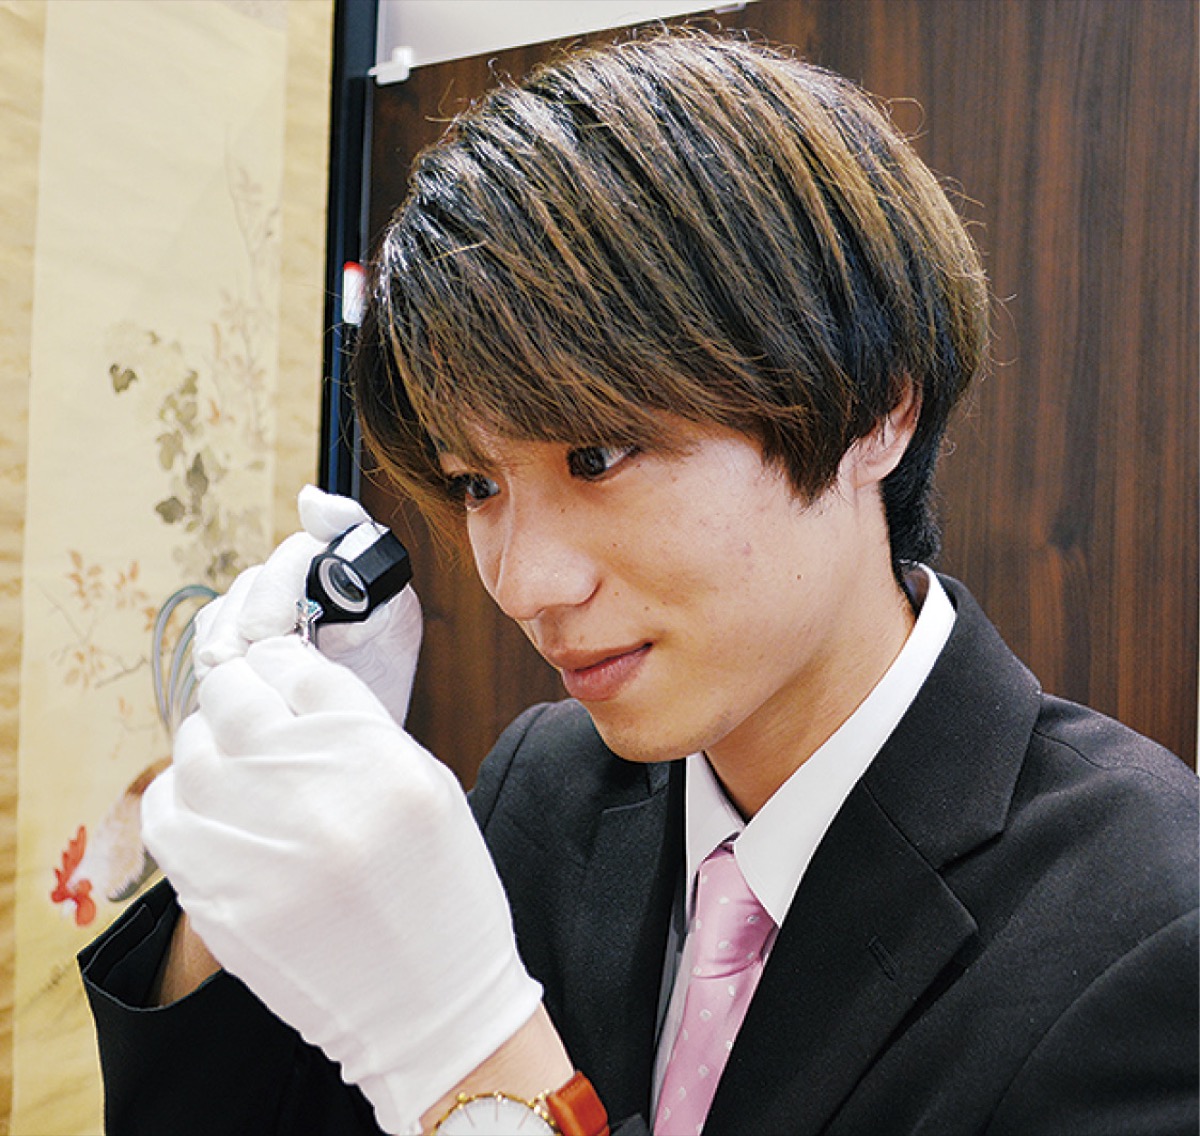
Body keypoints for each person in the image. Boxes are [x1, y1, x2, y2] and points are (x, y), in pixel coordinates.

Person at [80, 29, 1198, 1136]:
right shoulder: (545, 785)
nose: (527, 583)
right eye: (476, 484)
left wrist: (466, 1050)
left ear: (876, 411)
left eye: (598, 455)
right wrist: (253, 841)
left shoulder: (1152, 926)